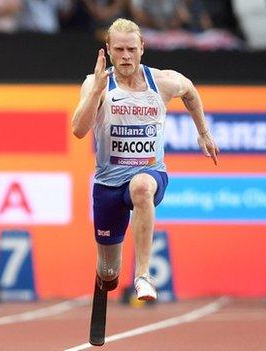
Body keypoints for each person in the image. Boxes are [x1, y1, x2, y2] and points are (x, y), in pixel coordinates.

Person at [72, 18, 218, 301]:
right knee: (108, 272)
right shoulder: (95, 83)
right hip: (109, 186)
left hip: (151, 174)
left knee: (141, 187)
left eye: (131, 49)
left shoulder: (161, 82)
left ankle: (143, 275)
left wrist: (203, 132)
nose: (125, 56)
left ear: (142, 47)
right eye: (119, 50)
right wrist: (96, 93)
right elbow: (78, 130)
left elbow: (189, 90)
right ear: (108, 50)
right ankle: (107, 276)